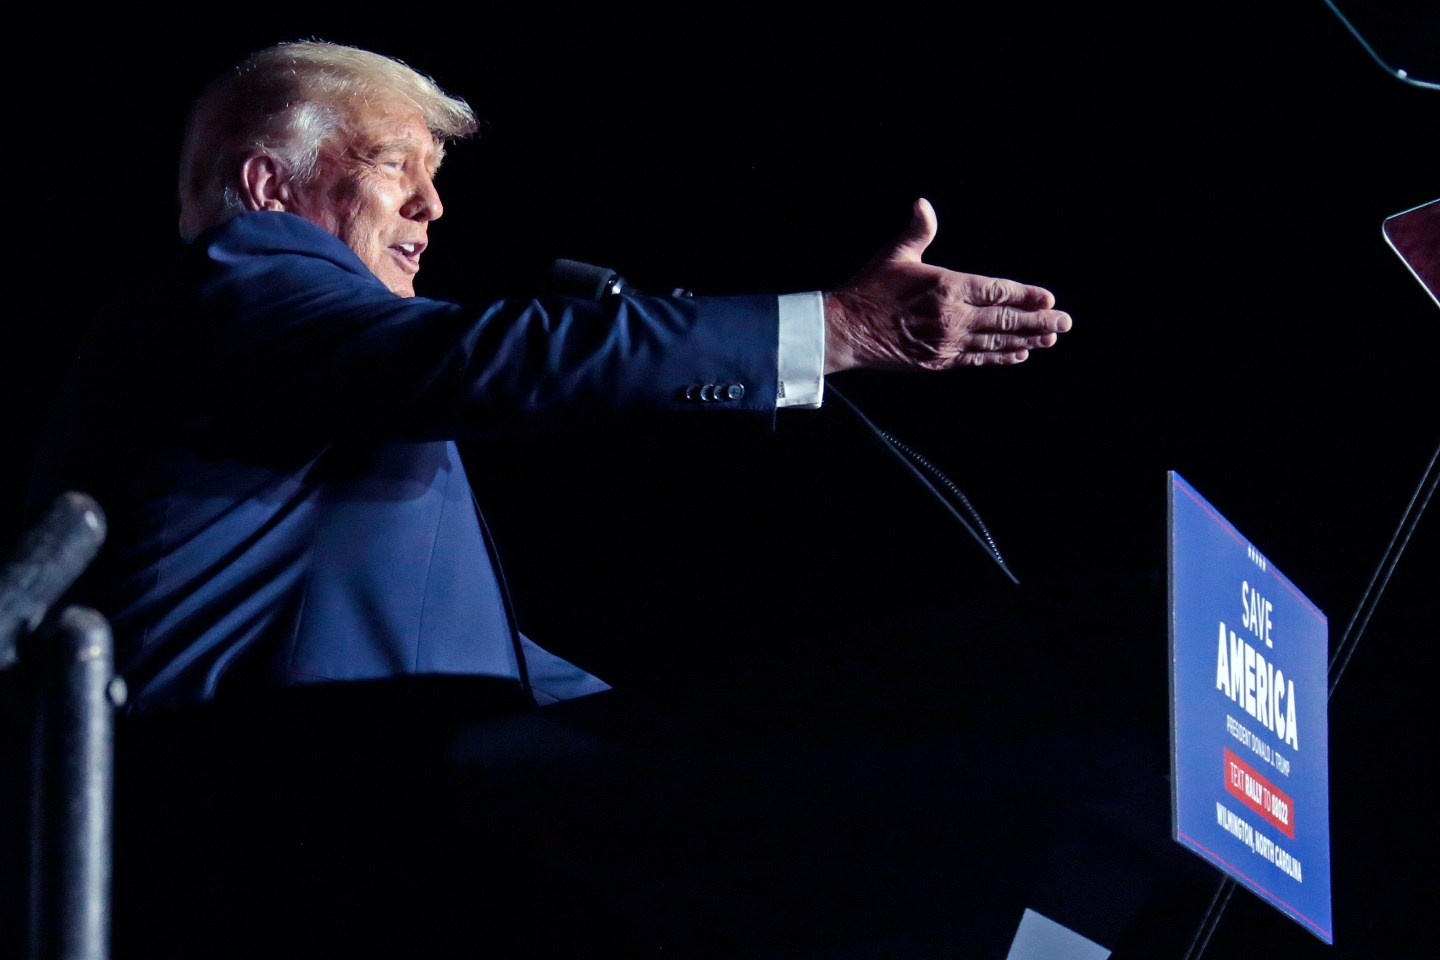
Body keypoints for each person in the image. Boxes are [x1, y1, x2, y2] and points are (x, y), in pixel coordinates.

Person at [32, 40, 1071, 714]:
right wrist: (828, 329)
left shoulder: (324, 377)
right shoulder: (234, 281)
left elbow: (458, 647)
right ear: (268, 186)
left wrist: (713, 739)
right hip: (250, 822)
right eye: (396, 166)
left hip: (340, 805)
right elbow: (486, 356)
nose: (433, 212)